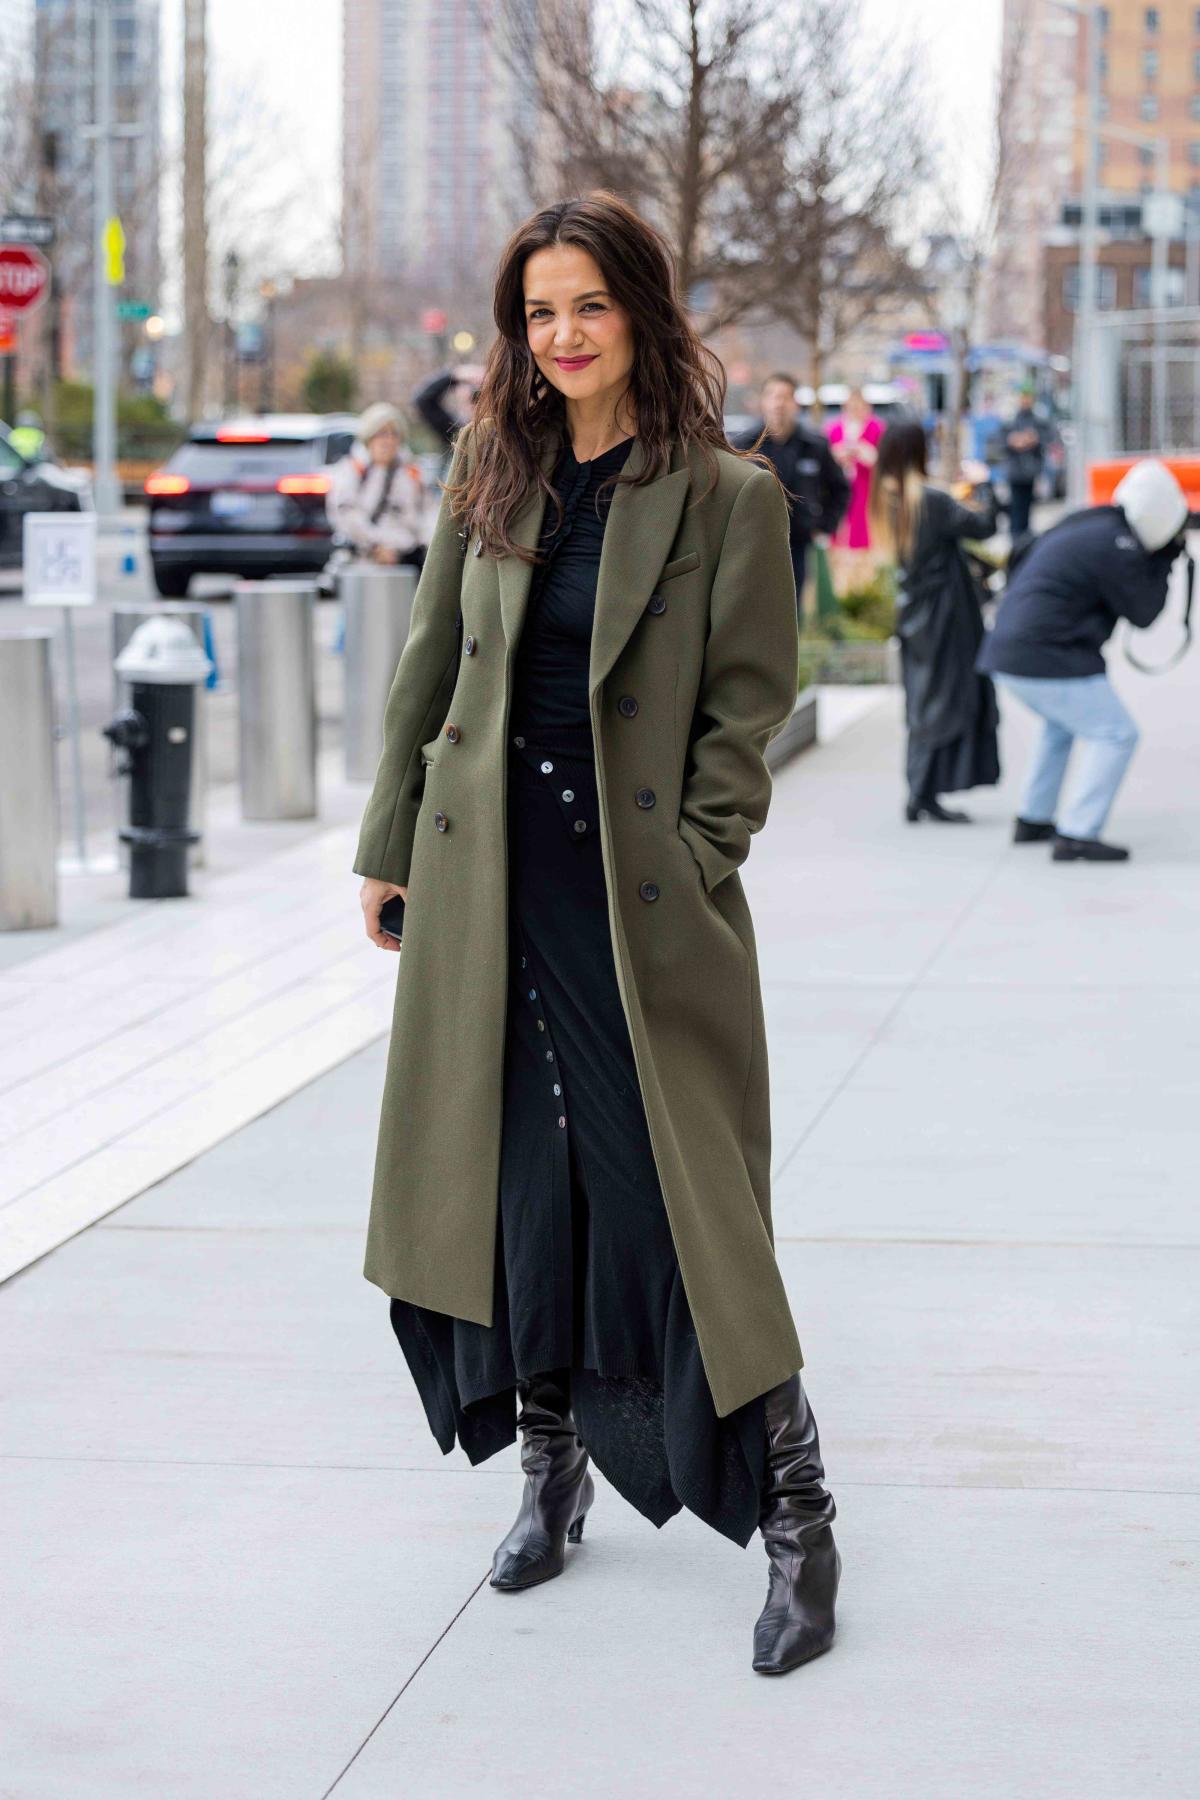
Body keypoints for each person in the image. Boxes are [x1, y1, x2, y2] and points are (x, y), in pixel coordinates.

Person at [354, 192, 840, 1677]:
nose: (560, 337)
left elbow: (745, 709)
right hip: (486, 887)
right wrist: (387, 848)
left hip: (638, 907)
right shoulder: (486, 469)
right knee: (517, 1183)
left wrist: (699, 862)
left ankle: (800, 1516)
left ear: (641, 312)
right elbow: (428, 666)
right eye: (536, 314)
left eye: (587, 307)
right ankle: (549, 1471)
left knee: (679, 1207)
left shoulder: (726, 495)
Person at [977, 458, 1187, 863]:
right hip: (1043, 655)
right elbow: (1145, 614)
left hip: (1011, 652)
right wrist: (1163, 561)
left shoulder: (1091, 526)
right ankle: (1076, 833)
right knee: (1116, 733)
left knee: (1061, 726)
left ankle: (1034, 818)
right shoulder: (1118, 544)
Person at [869, 420, 1001, 823]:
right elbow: (985, 525)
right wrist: (983, 483)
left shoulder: (887, 499)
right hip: (947, 614)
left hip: (915, 614)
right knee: (948, 700)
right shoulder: (928, 501)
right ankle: (924, 793)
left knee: (925, 701)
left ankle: (921, 792)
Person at [733, 373, 849, 619]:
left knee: (791, 613)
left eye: (785, 397)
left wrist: (824, 526)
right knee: (752, 613)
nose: (778, 403)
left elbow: (841, 489)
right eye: (773, 396)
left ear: (796, 403)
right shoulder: (743, 445)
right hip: (753, 544)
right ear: (762, 402)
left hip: (797, 543)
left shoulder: (814, 445)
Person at [327, 402, 427, 569]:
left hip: (407, 562)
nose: (387, 441)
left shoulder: (411, 472)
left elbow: (427, 514)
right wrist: (376, 546)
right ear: (368, 437)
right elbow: (346, 515)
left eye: (393, 434)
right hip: (364, 563)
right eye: (381, 434)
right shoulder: (353, 470)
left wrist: (425, 547)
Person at [827, 387, 883, 553]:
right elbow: (828, 455)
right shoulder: (834, 428)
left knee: (864, 523)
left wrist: (864, 451)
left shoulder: (876, 428)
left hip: (867, 484)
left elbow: (881, 458)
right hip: (841, 482)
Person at [412, 363, 485, 461]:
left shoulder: (499, 429)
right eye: (469, 388)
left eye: (480, 394)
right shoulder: (454, 429)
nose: (474, 396)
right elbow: (423, 401)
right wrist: (455, 375)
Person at [1003, 385, 1045, 542]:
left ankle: (1024, 539)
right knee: (1016, 506)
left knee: (1027, 506)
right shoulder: (1011, 420)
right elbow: (1001, 442)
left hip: (1030, 471)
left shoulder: (1037, 420)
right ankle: (1016, 538)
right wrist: (1013, 441)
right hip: (1015, 472)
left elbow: (1046, 439)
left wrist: (1034, 440)